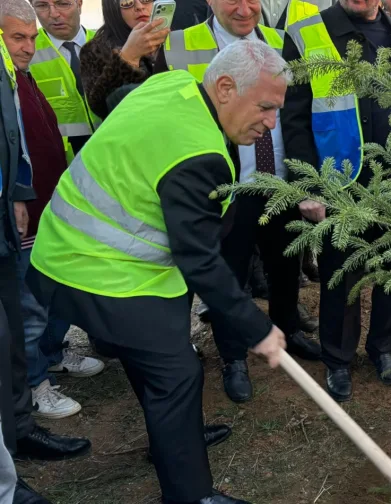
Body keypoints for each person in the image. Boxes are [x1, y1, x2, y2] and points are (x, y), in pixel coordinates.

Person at [28, 40, 289, 504]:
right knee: (178, 374)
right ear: (225, 88)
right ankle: (191, 495)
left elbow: (118, 99)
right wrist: (258, 328)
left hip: (70, 250)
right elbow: (200, 259)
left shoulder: (174, 85)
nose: (271, 123)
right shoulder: (198, 153)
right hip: (99, 270)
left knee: (157, 365)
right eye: (265, 108)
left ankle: (174, 440)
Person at [158, 0, 322, 404]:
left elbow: (298, 114)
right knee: (229, 271)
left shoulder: (284, 42)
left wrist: (302, 179)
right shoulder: (178, 46)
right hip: (228, 188)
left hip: (280, 182)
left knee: (285, 265)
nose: (244, 8)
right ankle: (233, 357)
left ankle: (288, 328)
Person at [281, 0, 391, 402]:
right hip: (340, 183)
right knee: (340, 275)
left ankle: (382, 349)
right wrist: (308, 186)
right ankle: (338, 359)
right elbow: (293, 119)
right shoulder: (307, 36)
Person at [0, 3, 90, 499]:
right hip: (24, 217)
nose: (28, 47)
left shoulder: (24, 77)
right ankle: (36, 389)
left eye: (31, 38)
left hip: (48, 209)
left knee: (47, 295)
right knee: (28, 306)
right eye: (18, 37)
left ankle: (48, 363)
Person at [29, 0, 100, 161]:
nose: (53, 14)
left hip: (111, 147)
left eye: (62, 3)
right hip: (60, 159)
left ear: (79, 4)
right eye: (42, 5)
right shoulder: (25, 52)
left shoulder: (108, 44)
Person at [79, 0, 170, 120]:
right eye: (127, 2)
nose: (139, 7)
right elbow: (100, 107)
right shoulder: (96, 49)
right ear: (112, 7)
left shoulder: (175, 37)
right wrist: (128, 58)